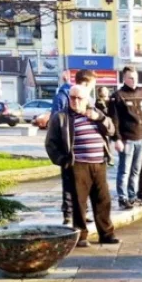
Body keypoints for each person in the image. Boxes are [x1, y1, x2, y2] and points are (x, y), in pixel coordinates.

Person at [46, 84, 120, 247]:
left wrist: (99, 118)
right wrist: (63, 161)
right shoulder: (61, 117)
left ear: (86, 99)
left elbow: (112, 130)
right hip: (77, 164)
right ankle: (81, 236)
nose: (75, 101)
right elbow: (50, 144)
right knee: (79, 203)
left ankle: (106, 234)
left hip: (99, 163)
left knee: (103, 200)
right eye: (72, 97)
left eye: (79, 98)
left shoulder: (95, 113)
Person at [52, 69, 97, 225]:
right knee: (69, 183)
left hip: (86, 153)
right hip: (69, 149)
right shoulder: (63, 96)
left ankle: (83, 212)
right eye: (92, 85)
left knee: (86, 185)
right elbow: (55, 121)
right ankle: (69, 214)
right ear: (85, 83)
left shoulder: (89, 100)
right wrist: (60, 155)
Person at [108, 66, 142, 209]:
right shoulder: (118, 96)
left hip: (140, 139)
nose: (134, 81)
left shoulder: (141, 94)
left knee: (136, 170)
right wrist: (116, 139)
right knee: (125, 170)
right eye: (130, 78)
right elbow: (114, 120)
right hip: (126, 140)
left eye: (136, 78)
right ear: (124, 78)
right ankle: (123, 198)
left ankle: (132, 196)